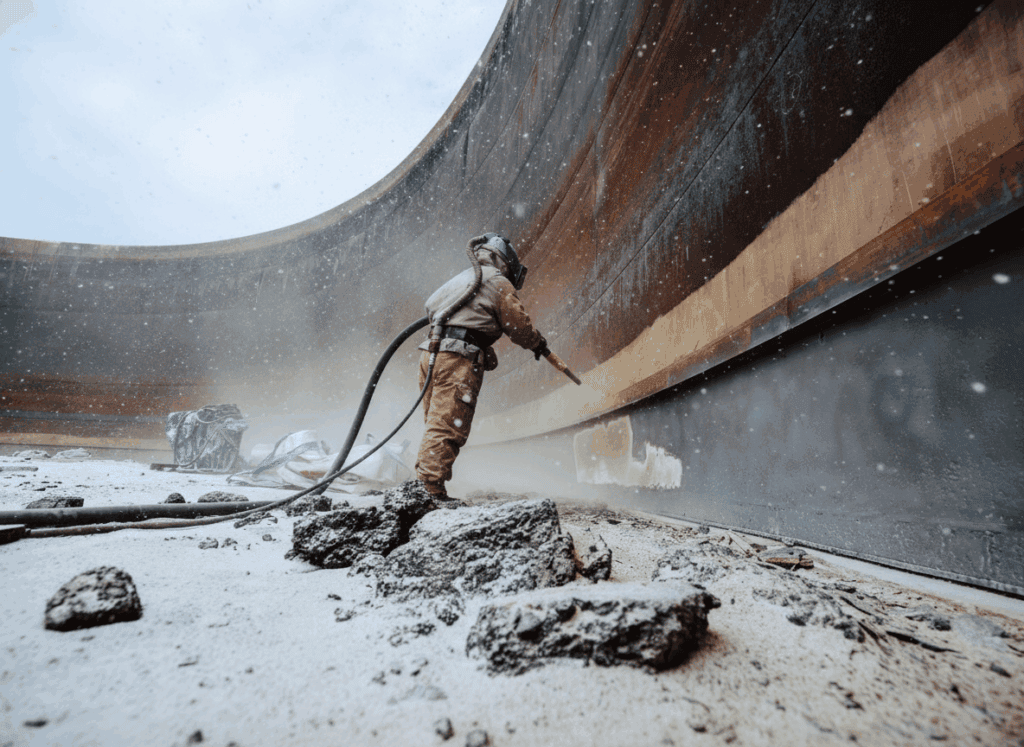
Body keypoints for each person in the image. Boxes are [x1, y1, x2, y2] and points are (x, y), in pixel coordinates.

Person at [414, 233, 549, 500]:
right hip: (457, 359)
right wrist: (537, 344)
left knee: (435, 423)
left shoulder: (461, 279)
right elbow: (518, 326)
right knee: (446, 426)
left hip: (431, 354)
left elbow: (431, 306)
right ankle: (429, 491)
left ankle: (425, 485)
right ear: (504, 262)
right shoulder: (498, 282)